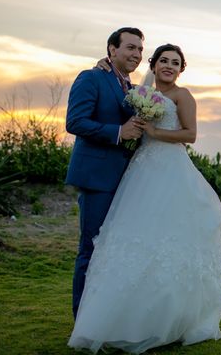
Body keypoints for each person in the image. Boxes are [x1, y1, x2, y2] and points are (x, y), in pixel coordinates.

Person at [68, 44, 221, 353]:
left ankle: (169, 319)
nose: (169, 66)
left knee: (168, 240)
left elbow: (190, 134)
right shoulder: (139, 90)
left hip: (170, 170)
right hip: (139, 171)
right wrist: (104, 63)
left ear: (181, 69)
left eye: (175, 62)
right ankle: (120, 318)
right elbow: (123, 105)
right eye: (164, 60)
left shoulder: (183, 96)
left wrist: (156, 133)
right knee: (132, 239)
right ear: (153, 65)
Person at [66, 27, 145, 319]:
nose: (136, 54)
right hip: (97, 178)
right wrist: (118, 132)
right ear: (112, 49)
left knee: (116, 250)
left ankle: (106, 317)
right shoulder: (92, 78)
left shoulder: (134, 90)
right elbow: (75, 121)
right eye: (130, 47)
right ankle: (83, 321)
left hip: (128, 181)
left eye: (140, 50)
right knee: (92, 248)